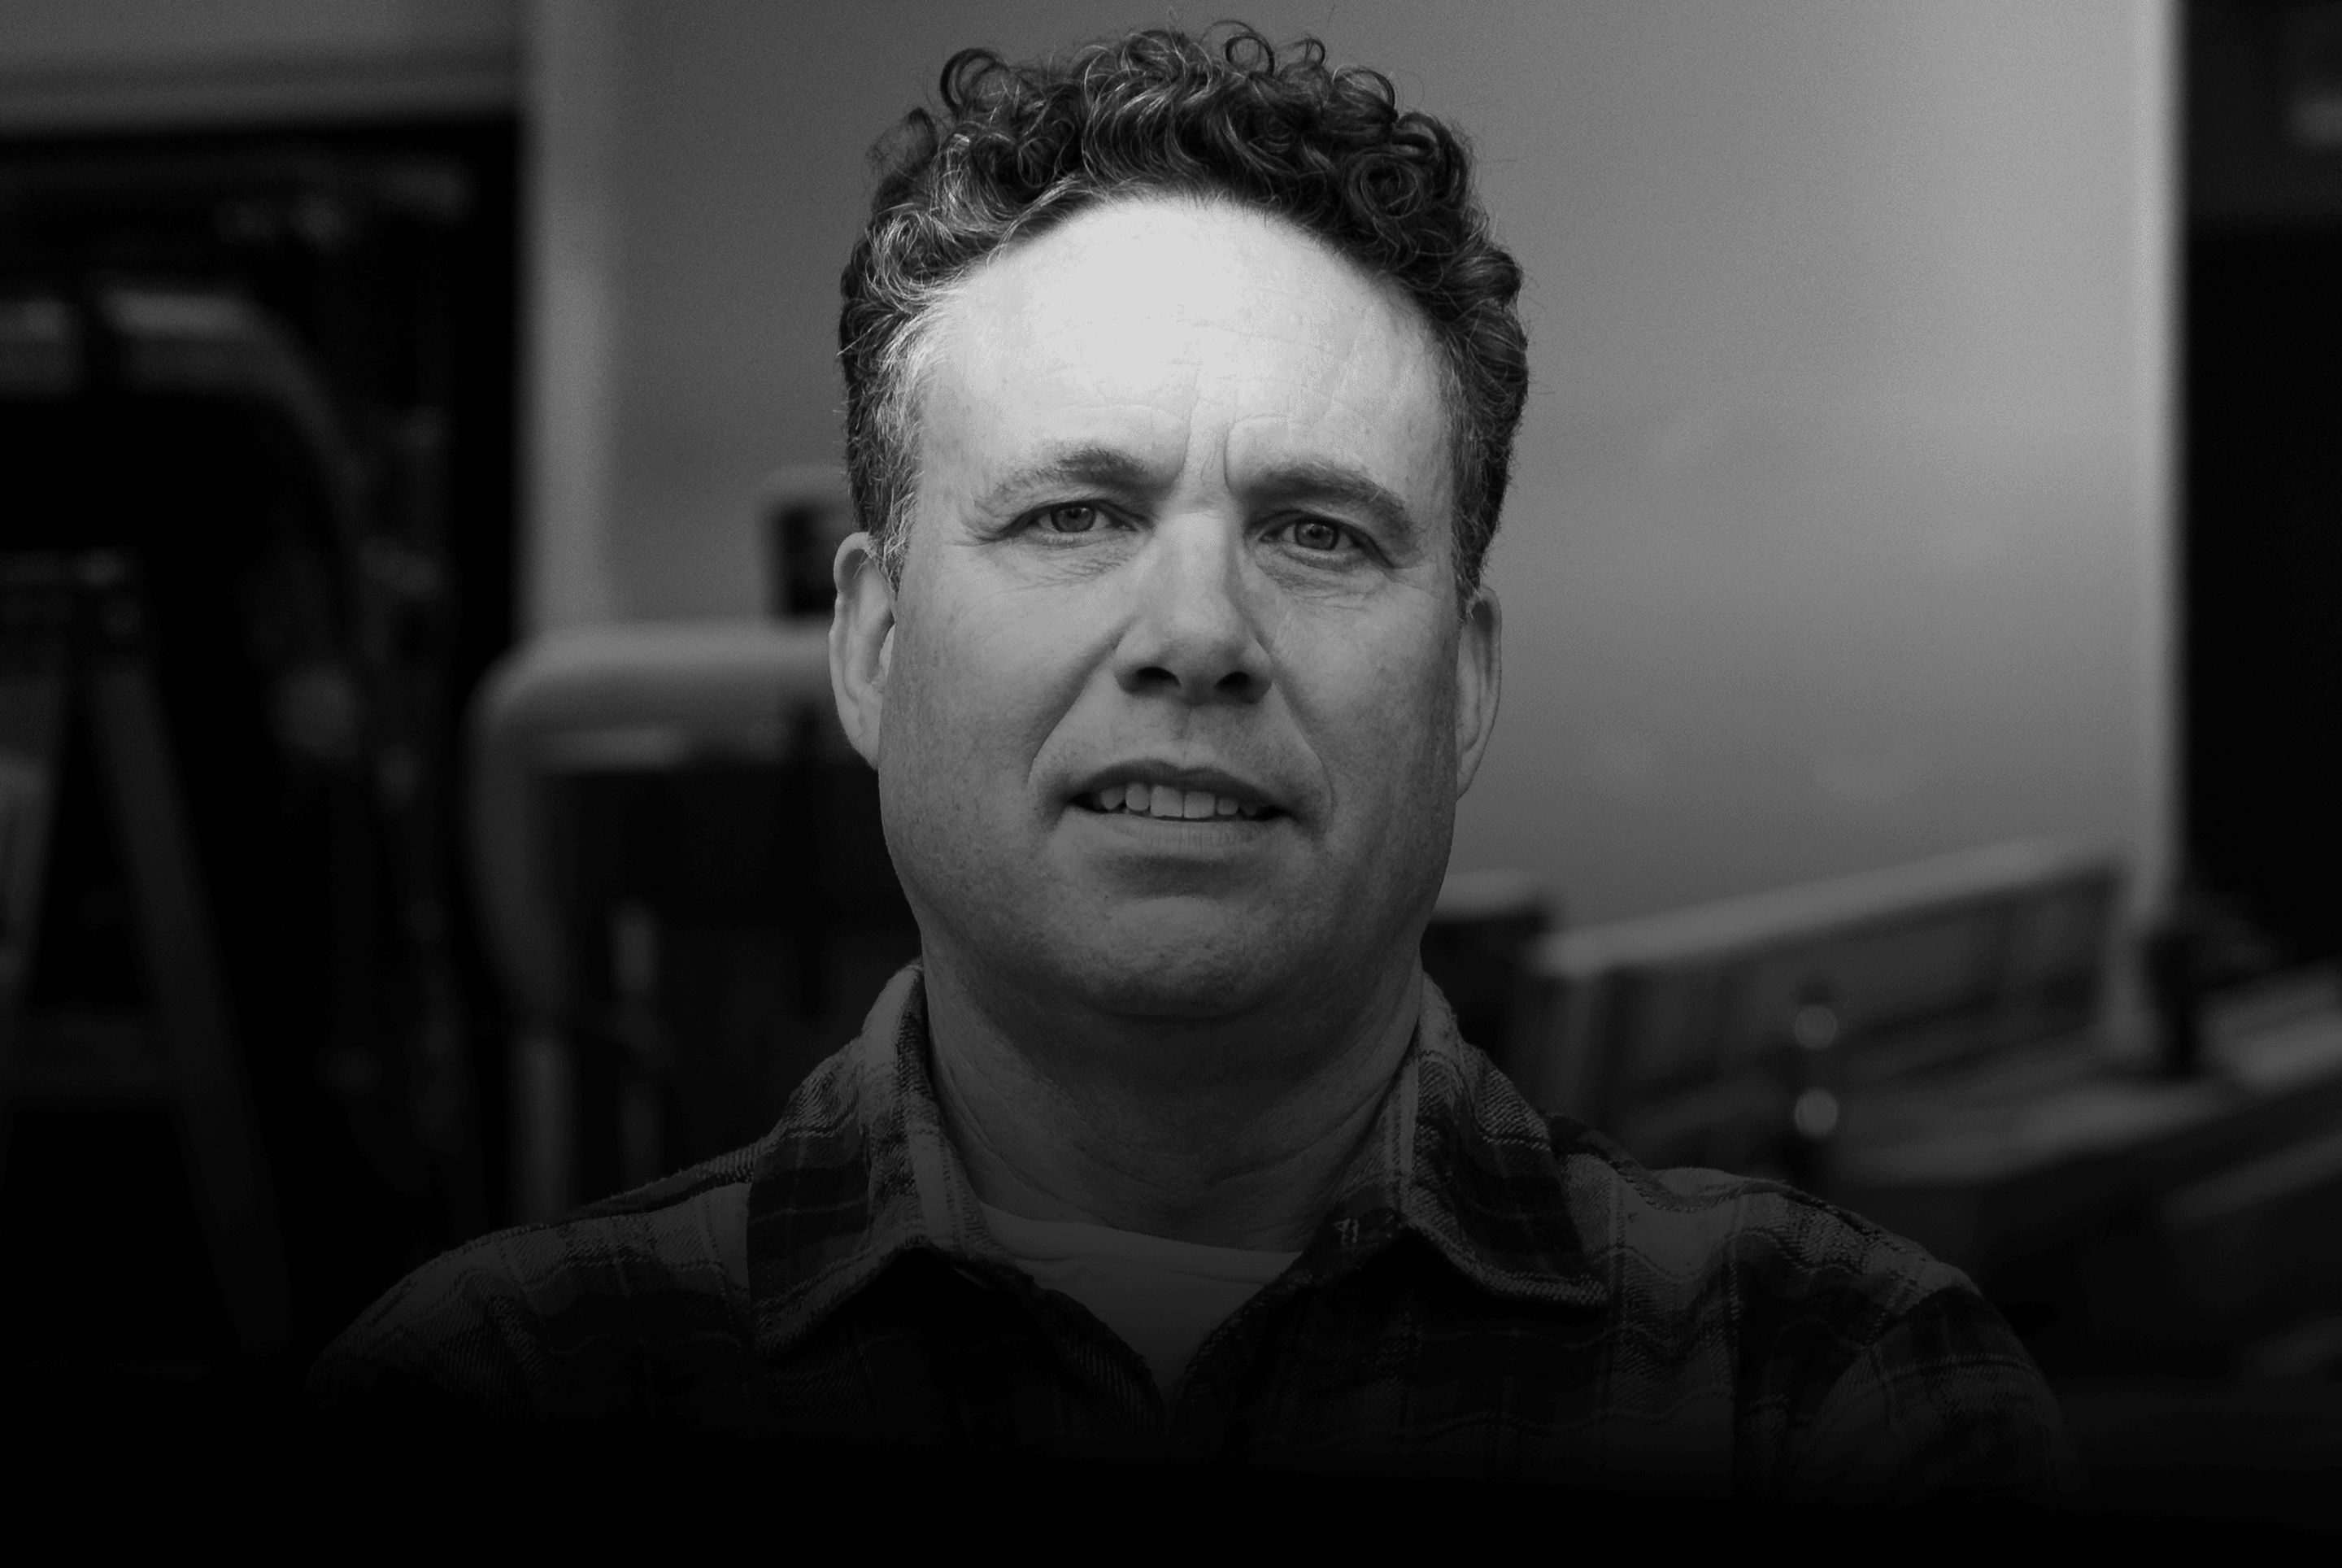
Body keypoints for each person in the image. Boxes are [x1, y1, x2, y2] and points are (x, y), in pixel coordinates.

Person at [314, 24, 2075, 1498]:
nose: (1198, 629)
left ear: (1464, 685)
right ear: (871, 647)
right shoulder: (492, 1410)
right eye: (1076, 513)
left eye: (1316, 532)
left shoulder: (1829, 1407)